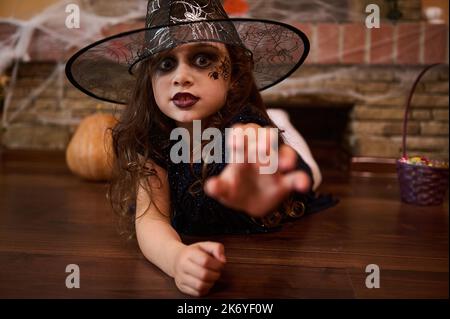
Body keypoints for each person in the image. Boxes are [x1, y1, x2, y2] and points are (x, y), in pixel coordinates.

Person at [65, 0, 337, 297]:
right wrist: (177, 258)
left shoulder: (245, 130)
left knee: (311, 172)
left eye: (203, 60)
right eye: (166, 64)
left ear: (232, 77)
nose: (181, 77)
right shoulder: (152, 141)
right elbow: (151, 220)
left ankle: (282, 126)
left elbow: (258, 156)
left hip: (286, 175)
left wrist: (258, 162)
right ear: (150, 82)